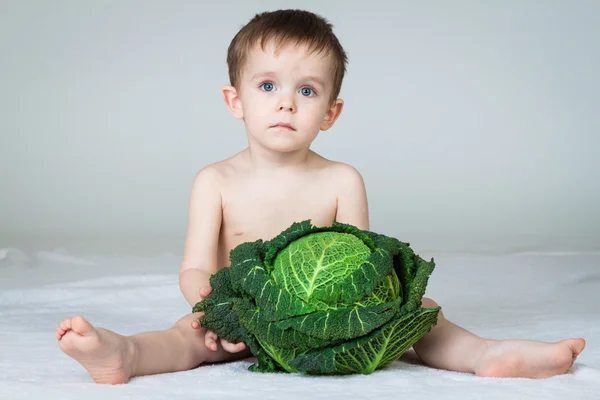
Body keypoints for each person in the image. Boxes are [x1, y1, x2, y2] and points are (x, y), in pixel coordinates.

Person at [55, 9, 585, 384]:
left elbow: (366, 263)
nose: (286, 103)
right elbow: (194, 269)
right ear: (234, 100)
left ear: (330, 112)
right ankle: (121, 352)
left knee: (421, 313)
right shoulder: (213, 180)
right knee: (187, 339)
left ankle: (489, 354)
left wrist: (370, 315)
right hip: (243, 316)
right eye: (267, 86)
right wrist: (209, 308)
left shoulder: (342, 180)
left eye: (306, 91)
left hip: (331, 320)